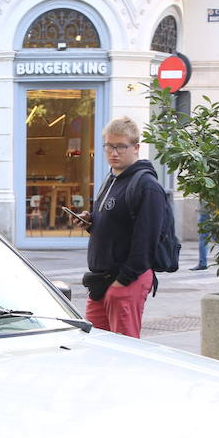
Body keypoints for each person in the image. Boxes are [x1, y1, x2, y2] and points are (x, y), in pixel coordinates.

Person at [71, 117, 168, 338]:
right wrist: (90, 221)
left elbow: (146, 242)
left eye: (121, 147)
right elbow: (117, 224)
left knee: (126, 350)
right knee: (96, 346)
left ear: (136, 148)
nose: (114, 153)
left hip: (126, 281)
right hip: (101, 282)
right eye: (109, 146)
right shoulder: (111, 179)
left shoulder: (147, 186)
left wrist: (122, 282)